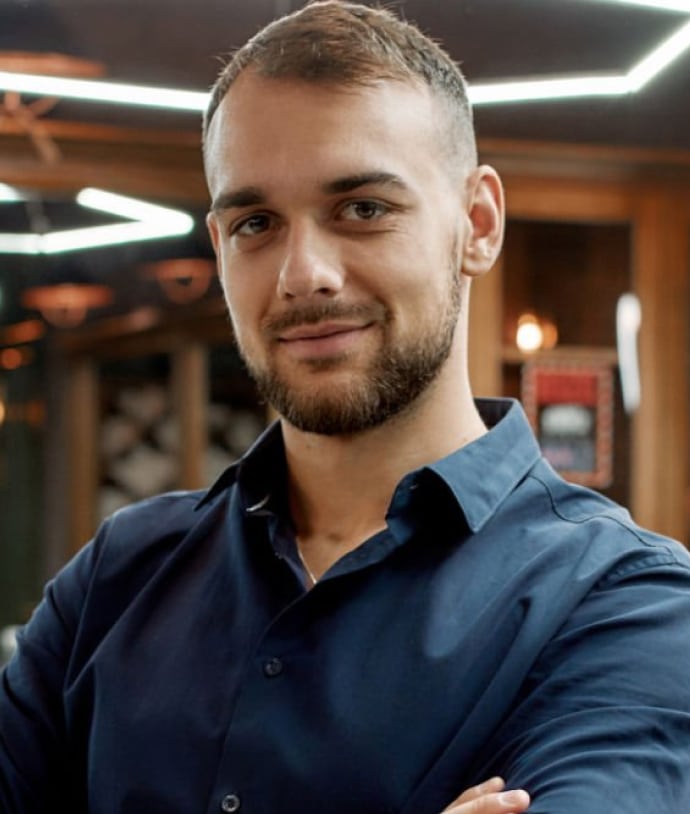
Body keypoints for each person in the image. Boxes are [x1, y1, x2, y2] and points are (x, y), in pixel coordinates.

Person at [2, 2, 690, 812]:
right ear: (221, 250)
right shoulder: (119, 574)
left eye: (362, 208)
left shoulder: (627, 606)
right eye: (257, 222)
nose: (304, 274)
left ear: (477, 223)